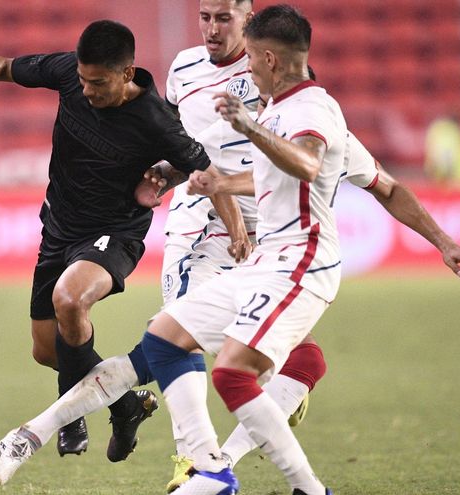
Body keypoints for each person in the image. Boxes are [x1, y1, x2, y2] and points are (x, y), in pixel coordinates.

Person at [0, 5, 460, 495]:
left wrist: (229, 151)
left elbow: (317, 167)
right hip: (232, 245)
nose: (241, 68)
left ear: (267, 56)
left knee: (225, 367)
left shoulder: (307, 115)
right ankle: (206, 463)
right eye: (205, 17)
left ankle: (210, 467)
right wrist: (189, 175)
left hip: (293, 260)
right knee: (166, 342)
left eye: (248, 54)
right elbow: (222, 162)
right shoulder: (225, 95)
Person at [0, 19, 249, 463]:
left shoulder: (156, 120)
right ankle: (125, 406)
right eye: (82, 80)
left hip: (114, 232)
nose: (87, 91)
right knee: (46, 349)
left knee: (71, 300)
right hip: (58, 226)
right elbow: (7, 66)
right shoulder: (68, 72)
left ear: (127, 73)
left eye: (98, 83)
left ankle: (67, 412)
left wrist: (238, 234)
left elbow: (207, 174)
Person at [158, 1, 327, 489]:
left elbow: (297, 154)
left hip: (267, 222)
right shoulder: (182, 69)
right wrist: (164, 173)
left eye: (223, 18)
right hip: (198, 213)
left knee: (269, 347)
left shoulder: (273, 72)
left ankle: (275, 386)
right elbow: (183, 146)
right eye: (204, 17)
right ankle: (193, 459)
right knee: (177, 328)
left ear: (247, 18)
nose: (212, 28)